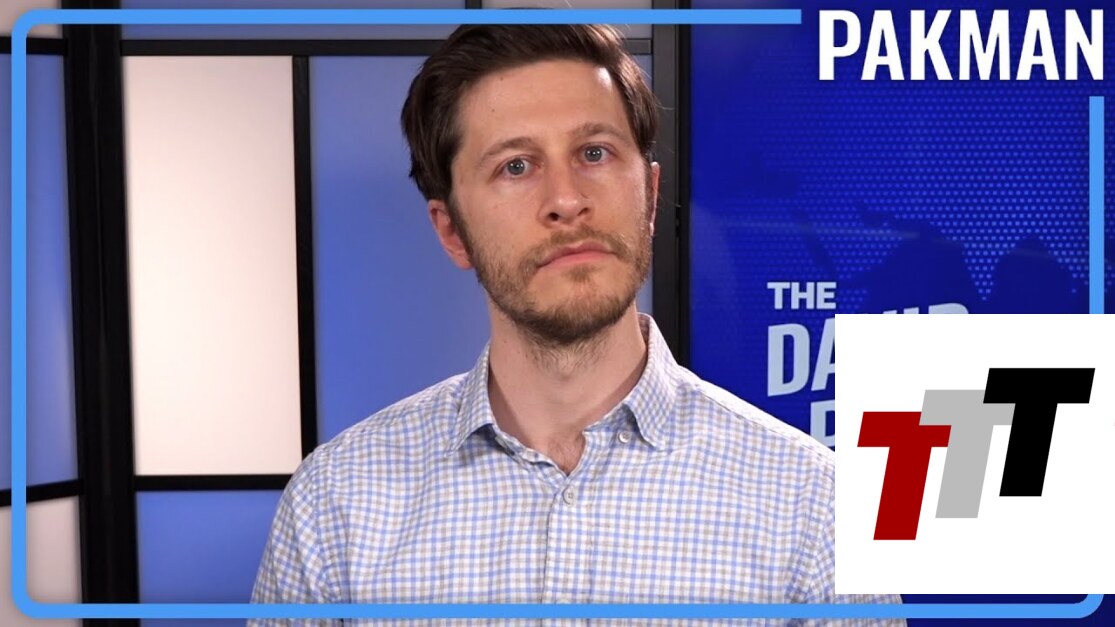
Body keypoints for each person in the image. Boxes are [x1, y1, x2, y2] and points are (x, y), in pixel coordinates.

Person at [250, 23, 903, 625]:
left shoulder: (814, 506)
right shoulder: (337, 503)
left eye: (594, 152)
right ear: (452, 230)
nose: (566, 200)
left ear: (650, 196)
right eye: (515, 165)